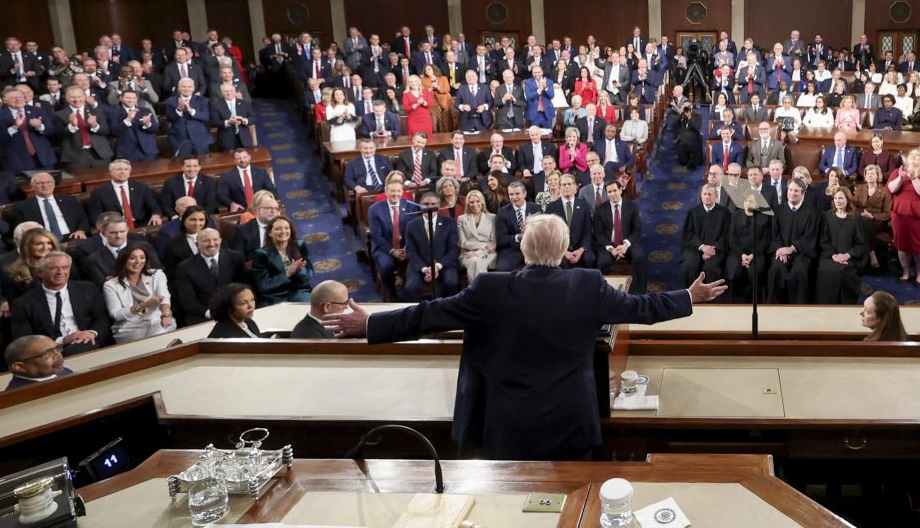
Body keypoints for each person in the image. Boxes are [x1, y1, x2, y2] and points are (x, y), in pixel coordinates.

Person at [326, 214, 726, 460]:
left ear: (521, 248)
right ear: (566, 248)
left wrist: (372, 324)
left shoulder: (489, 289)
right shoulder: (588, 285)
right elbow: (645, 310)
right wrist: (689, 296)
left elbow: (428, 315)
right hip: (572, 425)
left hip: (508, 428)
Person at [9, 251, 113, 356]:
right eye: (53, 268)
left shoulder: (87, 289)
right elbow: (24, 339)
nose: (60, 272)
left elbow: (102, 318)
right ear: (40, 272)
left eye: (65, 267)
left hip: (87, 341)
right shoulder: (23, 303)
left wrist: (91, 333)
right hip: (50, 350)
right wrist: (63, 340)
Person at [102, 243, 175, 342]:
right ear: (124, 260)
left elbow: (164, 296)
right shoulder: (110, 285)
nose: (138, 262)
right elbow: (116, 314)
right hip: (129, 327)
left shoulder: (157, 274)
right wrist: (144, 305)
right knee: (155, 337)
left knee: (162, 329)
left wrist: (166, 315)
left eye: (142, 258)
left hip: (156, 320)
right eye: (132, 258)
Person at [886, 147, 920, 284]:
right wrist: (901, 177)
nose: (914, 158)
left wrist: (913, 177)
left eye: (917, 156)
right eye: (912, 155)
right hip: (899, 214)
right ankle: (906, 271)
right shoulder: (898, 172)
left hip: (919, 216)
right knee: (902, 246)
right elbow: (890, 189)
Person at [175, 228, 247, 324]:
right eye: (206, 241)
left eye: (215, 239)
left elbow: (244, 288)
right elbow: (188, 302)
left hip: (234, 309)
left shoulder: (236, 258)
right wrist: (210, 313)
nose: (211, 244)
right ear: (197, 245)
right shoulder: (184, 267)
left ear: (220, 241)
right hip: (202, 315)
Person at [815, 189, 867, 304]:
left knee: (842, 271)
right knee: (825, 270)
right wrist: (834, 255)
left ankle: (844, 304)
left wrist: (847, 255)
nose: (838, 201)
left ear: (848, 200)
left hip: (850, 257)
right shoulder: (827, 216)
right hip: (829, 256)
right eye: (836, 198)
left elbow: (861, 243)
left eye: (841, 198)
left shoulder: (856, 218)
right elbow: (823, 240)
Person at [252, 216, 314, 304]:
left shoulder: (299, 245)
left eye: (286, 228)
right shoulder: (261, 254)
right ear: (270, 233)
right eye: (278, 229)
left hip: (299, 291)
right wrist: (287, 273)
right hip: (275, 295)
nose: (283, 231)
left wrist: (300, 271)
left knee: (304, 302)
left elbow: (310, 273)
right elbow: (263, 285)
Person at [3, 335, 74, 390]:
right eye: (47, 353)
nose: (58, 355)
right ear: (19, 367)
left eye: (57, 348)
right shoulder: (16, 398)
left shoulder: (65, 372)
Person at [457, 189, 497, 279]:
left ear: (482, 202)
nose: (475, 204)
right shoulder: (461, 219)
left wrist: (478, 253)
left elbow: (493, 244)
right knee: (475, 261)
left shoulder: (492, 217)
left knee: (476, 261)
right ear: (468, 204)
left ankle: (474, 291)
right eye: (471, 202)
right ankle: (482, 291)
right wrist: (485, 244)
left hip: (488, 254)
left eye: (477, 201)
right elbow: (463, 244)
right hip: (467, 254)